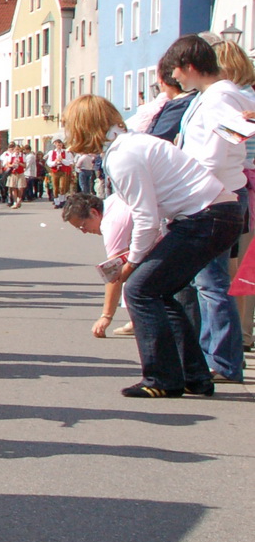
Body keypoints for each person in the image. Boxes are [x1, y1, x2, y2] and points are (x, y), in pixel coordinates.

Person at [61, 95, 239, 397]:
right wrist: (139, 257)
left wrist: (133, 261)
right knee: (160, 290)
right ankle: (193, 376)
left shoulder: (122, 156)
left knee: (140, 289)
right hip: (215, 214)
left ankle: (162, 379)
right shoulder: (132, 144)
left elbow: (145, 216)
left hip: (204, 217)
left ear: (82, 127)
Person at [161, 34, 255, 384]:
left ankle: (224, 361)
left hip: (212, 194)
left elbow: (222, 147)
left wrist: (189, 173)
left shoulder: (218, 97)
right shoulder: (216, 95)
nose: (176, 80)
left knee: (211, 282)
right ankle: (219, 358)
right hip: (219, 191)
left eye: (177, 72)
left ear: (188, 66)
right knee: (209, 281)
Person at [59, 192, 134, 338]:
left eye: (83, 226)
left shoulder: (111, 224)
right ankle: (137, 320)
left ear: (94, 213)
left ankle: (144, 321)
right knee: (131, 272)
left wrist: (106, 316)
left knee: (135, 284)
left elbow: (113, 274)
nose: (85, 232)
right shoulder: (112, 201)